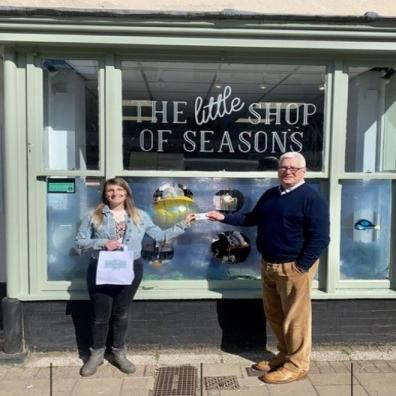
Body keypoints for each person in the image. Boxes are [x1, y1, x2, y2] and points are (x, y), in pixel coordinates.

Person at [207, 152, 330, 384]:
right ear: (278, 170)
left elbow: (321, 238)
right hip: (269, 264)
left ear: (304, 172)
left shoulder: (311, 199)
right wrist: (222, 216)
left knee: (296, 319)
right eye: (284, 167)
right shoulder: (271, 195)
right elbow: (252, 218)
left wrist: (301, 266)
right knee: (275, 314)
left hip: (294, 267)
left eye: (294, 168)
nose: (288, 171)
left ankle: (297, 365)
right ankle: (284, 356)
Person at [75, 177, 195, 377]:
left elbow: (160, 236)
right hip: (101, 268)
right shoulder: (93, 216)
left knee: (121, 313)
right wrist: (102, 242)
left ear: (127, 193)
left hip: (130, 268)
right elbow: (79, 242)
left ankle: (118, 352)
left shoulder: (140, 216)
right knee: (100, 316)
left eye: (120, 190)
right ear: (105, 193)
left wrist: (184, 223)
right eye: (111, 190)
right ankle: (96, 354)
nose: (115, 194)